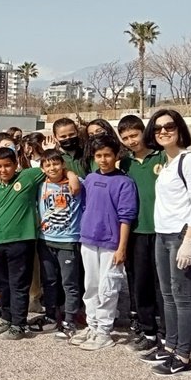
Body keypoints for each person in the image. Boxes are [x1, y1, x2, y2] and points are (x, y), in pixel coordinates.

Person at [144, 109, 191, 376]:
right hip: (163, 234)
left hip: (182, 236)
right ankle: (170, 347)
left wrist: (189, 241)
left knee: (183, 297)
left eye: (169, 126)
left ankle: (183, 357)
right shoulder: (168, 162)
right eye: (158, 128)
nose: (163, 131)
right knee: (168, 296)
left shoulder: (189, 160)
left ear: (180, 128)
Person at [71, 134, 137, 352]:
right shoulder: (90, 179)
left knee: (108, 287)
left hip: (111, 243)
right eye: (99, 155)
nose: (103, 160)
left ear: (116, 155)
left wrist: (122, 248)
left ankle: (104, 331)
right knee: (91, 286)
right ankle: (92, 325)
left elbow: (126, 217)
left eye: (107, 155)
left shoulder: (125, 183)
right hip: (89, 239)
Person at [0, 148, 49, 340]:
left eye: (7, 165)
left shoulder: (27, 178)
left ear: (16, 165)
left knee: (18, 284)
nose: (3, 170)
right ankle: (7, 317)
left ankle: (19, 324)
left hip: (21, 241)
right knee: (3, 284)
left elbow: (50, 167)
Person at [117, 115, 167, 352]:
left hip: (162, 230)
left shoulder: (163, 156)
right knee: (141, 282)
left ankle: (167, 331)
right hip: (137, 230)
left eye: (134, 135)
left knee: (163, 283)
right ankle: (148, 331)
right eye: (125, 138)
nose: (131, 141)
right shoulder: (125, 163)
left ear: (143, 132)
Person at [36, 149, 84, 338]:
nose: (52, 168)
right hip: (45, 240)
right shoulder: (40, 185)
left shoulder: (78, 184)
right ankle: (50, 315)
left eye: (56, 163)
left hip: (68, 241)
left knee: (69, 283)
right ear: (42, 168)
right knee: (49, 281)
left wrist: (72, 176)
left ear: (63, 164)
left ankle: (70, 319)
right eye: (47, 165)